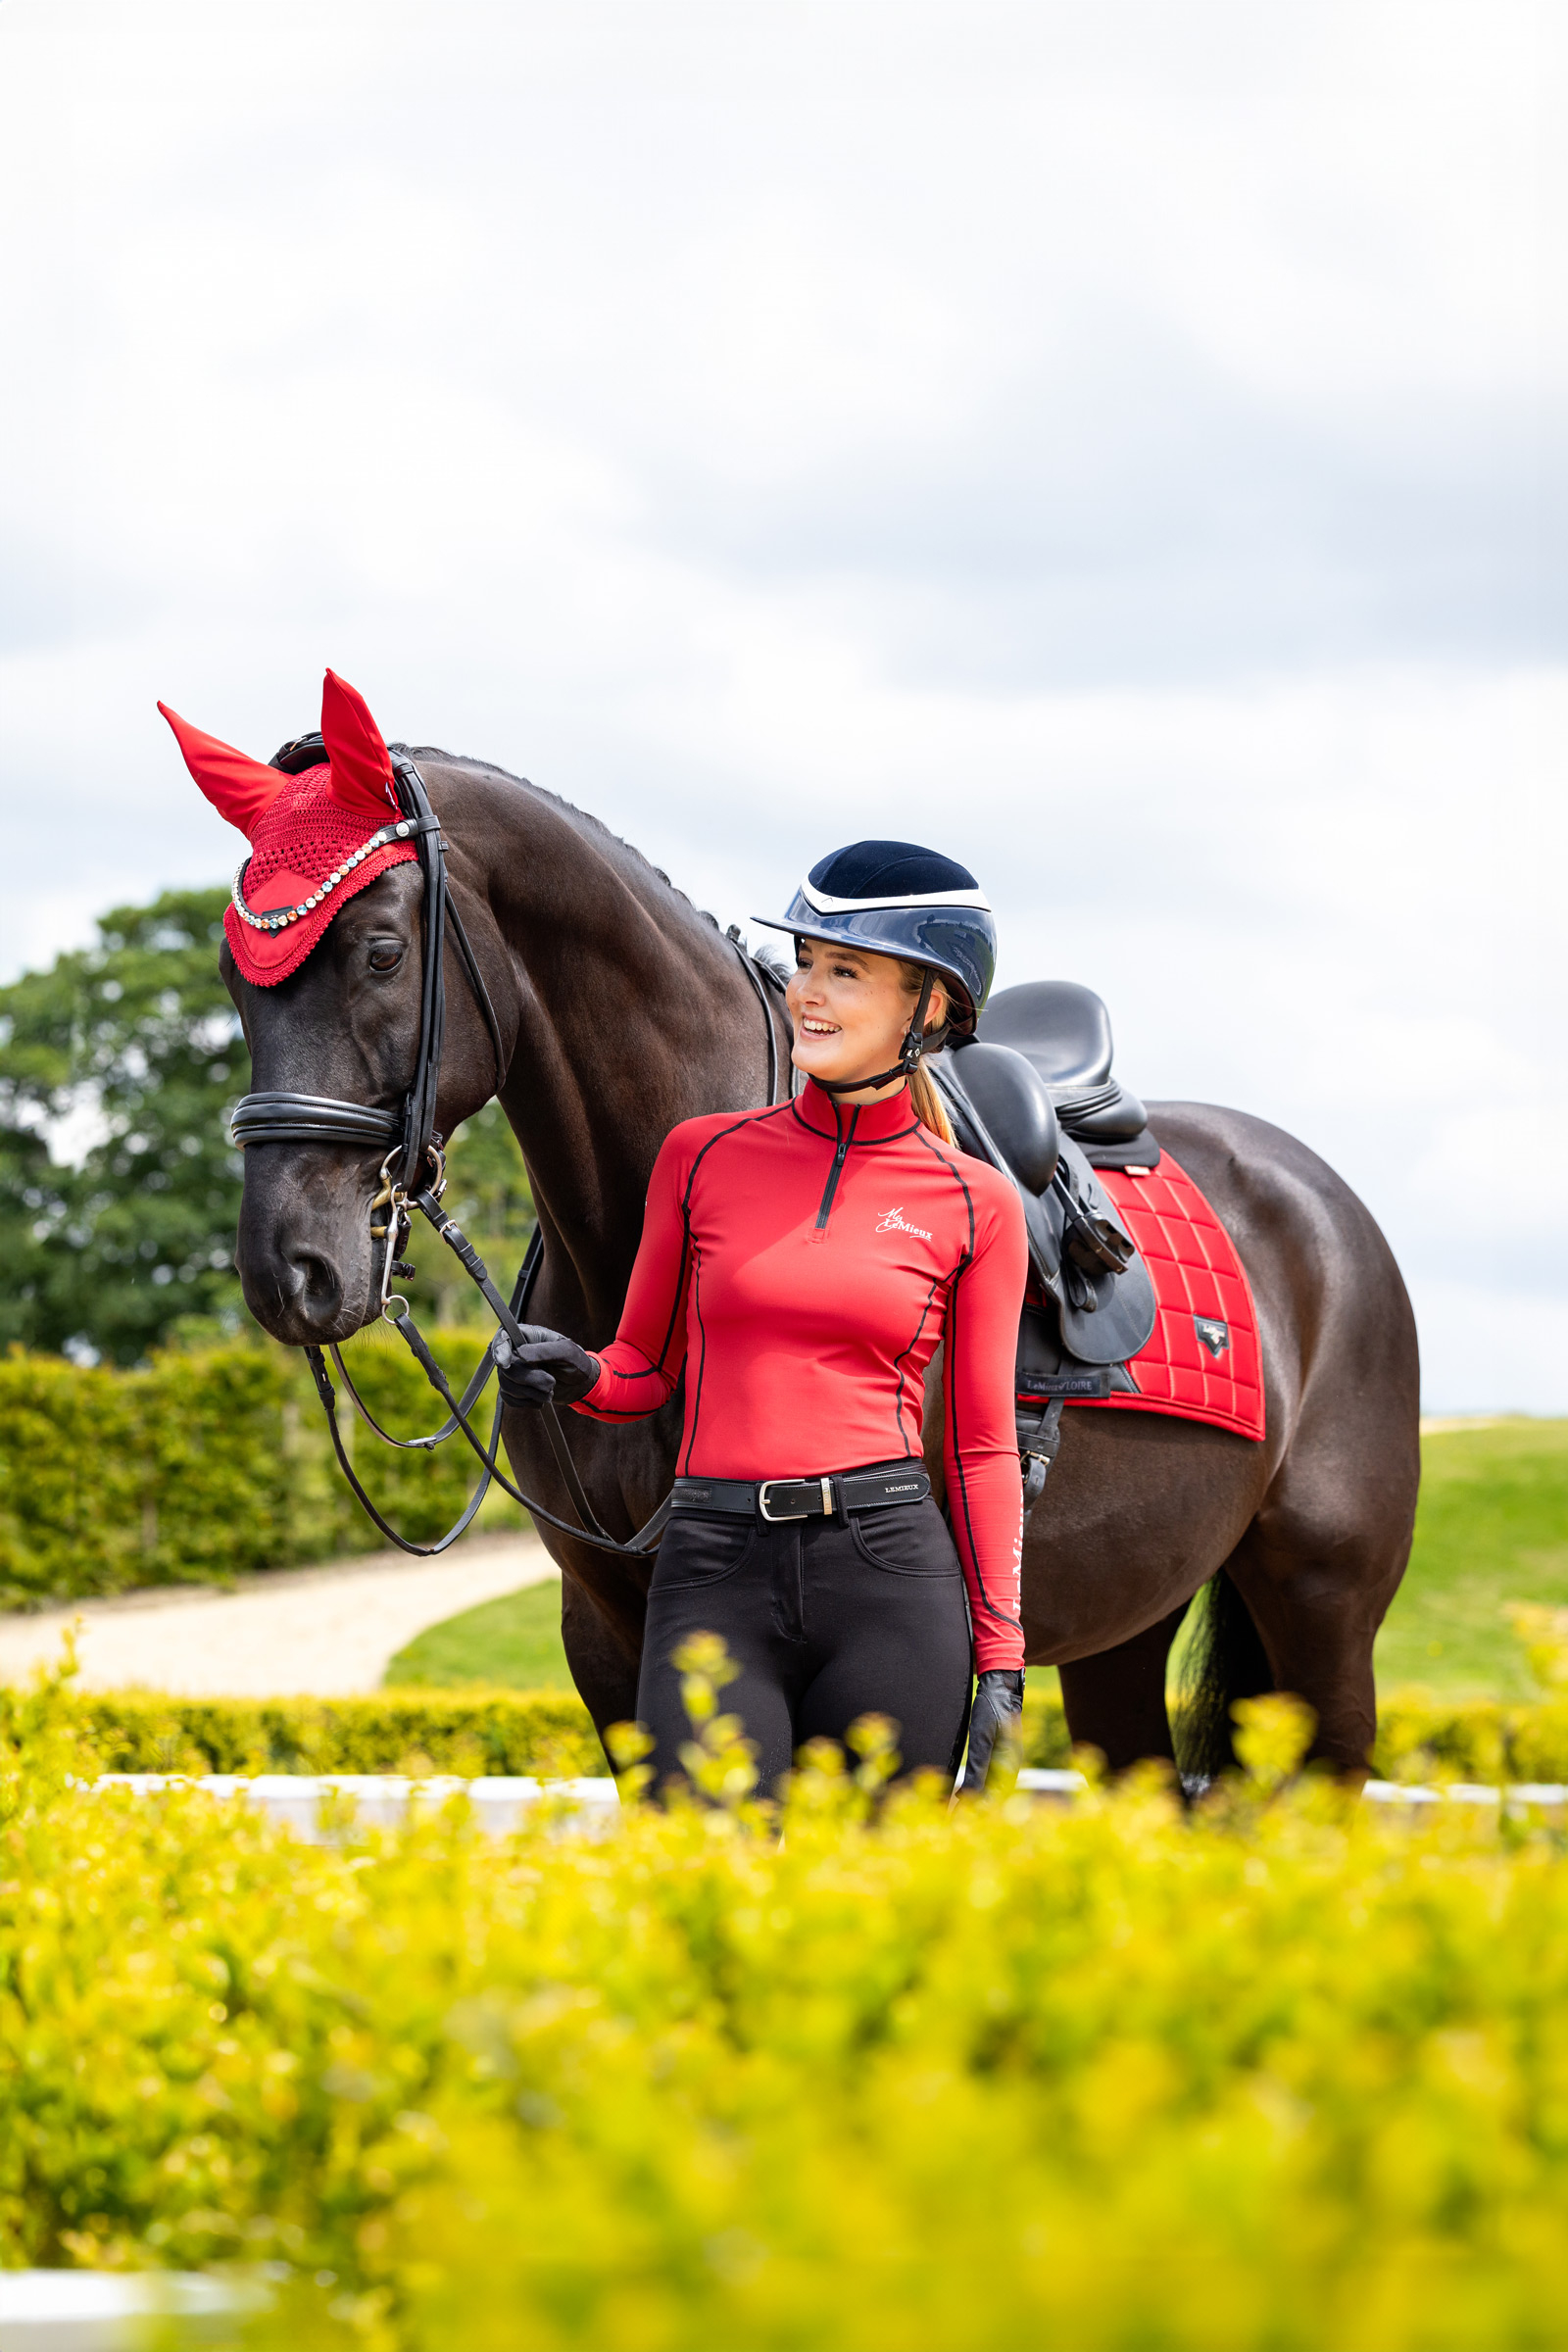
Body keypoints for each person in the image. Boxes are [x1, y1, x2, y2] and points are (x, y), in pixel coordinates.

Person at [498, 840, 1030, 1794]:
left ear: (931, 1005)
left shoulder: (977, 1202)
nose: (807, 994)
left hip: (888, 1577)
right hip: (711, 1567)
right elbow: (642, 1371)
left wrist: (1001, 1653)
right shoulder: (698, 1158)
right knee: (699, 1878)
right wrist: (576, 1373)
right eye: (806, 966)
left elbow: (980, 1448)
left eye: (846, 971)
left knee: (871, 1907)